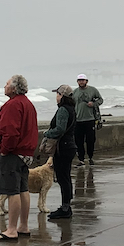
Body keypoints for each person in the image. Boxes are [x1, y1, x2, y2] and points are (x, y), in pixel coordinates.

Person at [0, 75, 39, 241]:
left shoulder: (13, 105)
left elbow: (11, 132)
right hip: (26, 152)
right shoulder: (27, 104)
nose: (4, 86)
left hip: (13, 153)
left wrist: (4, 150)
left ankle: (11, 229)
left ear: (14, 88)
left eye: (7, 84)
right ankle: (23, 226)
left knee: (12, 191)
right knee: (23, 189)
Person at [44, 84, 78, 219]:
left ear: (62, 96)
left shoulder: (63, 110)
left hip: (63, 148)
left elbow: (60, 129)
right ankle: (66, 205)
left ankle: (65, 208)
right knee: (66, 177)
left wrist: (47, 133)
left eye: (57, 94)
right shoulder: (71, 109)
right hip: (69, 146)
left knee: (63, 178)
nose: (56, 97)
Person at [72, 74, 104, 166]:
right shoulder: (75, 92)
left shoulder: (93, 90)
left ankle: (90, 157)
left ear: (86, 81)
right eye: (79, 80)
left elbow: (100, 100)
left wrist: (93, 104)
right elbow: (71, 103)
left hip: (90, 119)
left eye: (83, 80)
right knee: (78, 141)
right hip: (78, 120)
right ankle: (81, 160)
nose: (81, 82)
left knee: (90, 140)